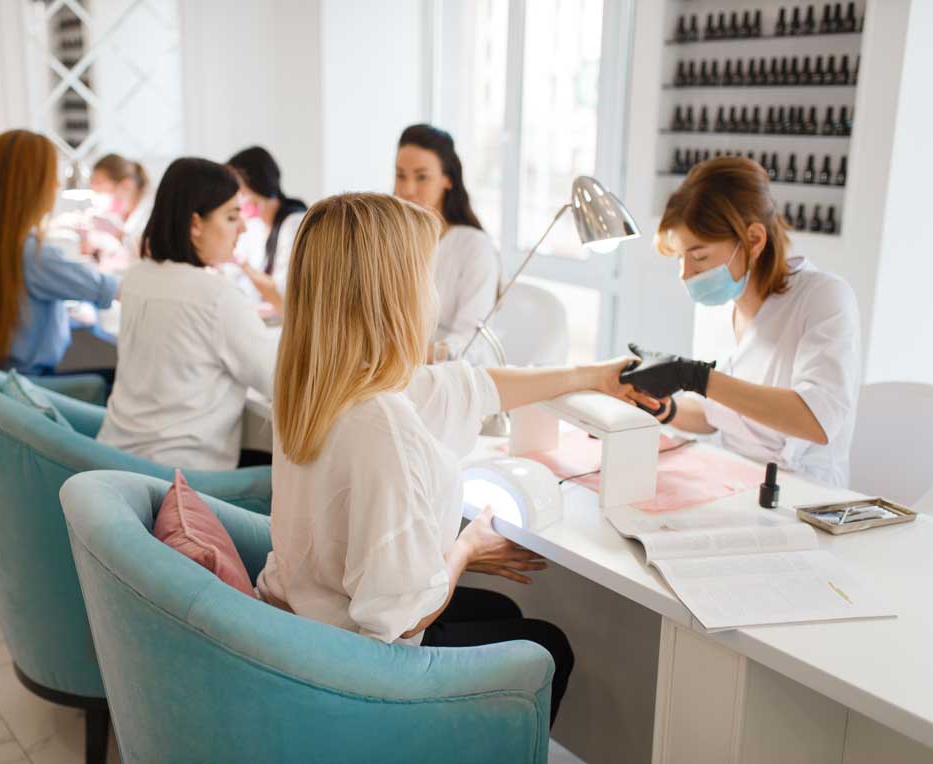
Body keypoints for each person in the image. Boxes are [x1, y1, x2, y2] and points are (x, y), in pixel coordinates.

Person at [256, 192, 649, 728]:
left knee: (502, 613)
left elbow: (473, 386)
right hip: (359, 675)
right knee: (547, 646)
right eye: (427, 276)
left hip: (301, 627)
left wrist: (591, 375)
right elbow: (402, 615)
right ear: (391, 294)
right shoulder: (380, 426)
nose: (434, 296)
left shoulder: (316, 385)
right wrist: (464, 547)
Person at [622, 157, 861, 488]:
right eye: (680, 258)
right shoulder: (716, 307)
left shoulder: (824, 297)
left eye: (699, 256)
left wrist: (695, 376)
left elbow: (817, 421)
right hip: (730, 477)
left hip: (804, 494)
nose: (686, 274)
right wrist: (667, 408)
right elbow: (715, 414)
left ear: (753, 240)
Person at [97, 158, 277, 471]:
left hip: (116, 469)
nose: (244, 227)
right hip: (181, 486)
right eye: (232, 216)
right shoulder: (217, 297)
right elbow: (281, 382)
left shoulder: (137, 277)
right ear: (195, 225)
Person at [0, 130, 118, 375]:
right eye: (51, 178)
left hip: (1, 376)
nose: (57, 186)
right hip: (37, 385)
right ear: (33, 187)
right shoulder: (35, 256)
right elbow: (109, 288)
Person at [394, 124, 500, 362]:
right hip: (401, 372)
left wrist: (412, 357)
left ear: (448, 180)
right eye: (400, 175)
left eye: (421, 177)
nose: (407, 189)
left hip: (458, 375)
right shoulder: (391, 241)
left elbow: (472, 340)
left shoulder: (474, 246)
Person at [227, 146, 307, 312]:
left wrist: (241, 263)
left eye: (240, 189)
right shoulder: (254, 227)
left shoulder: (293, 224)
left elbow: (282, 295)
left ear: (256, 184)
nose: (237, 196)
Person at [86, 152, 153, 272]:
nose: (107, 199)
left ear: (127, 184)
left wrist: (117, 233)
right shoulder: (121, 212)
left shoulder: (150, 210)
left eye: (107, 191)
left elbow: (148, 252)